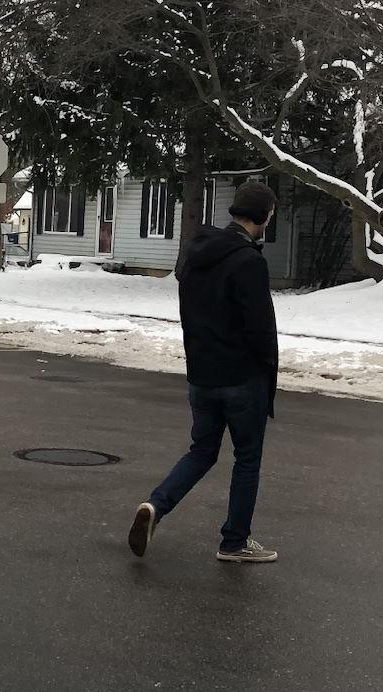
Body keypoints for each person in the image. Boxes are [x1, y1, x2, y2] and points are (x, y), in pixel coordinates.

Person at [129, 181, 280, 564]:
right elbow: (260, 327)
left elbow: (189, 315)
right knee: (247, 458)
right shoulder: (249, 262)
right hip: (242, 378)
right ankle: (234, 541)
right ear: (264, 217)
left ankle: (156, 506)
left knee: (201, 451)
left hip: (202, 373)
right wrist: (266, 371)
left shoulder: (196, 256)